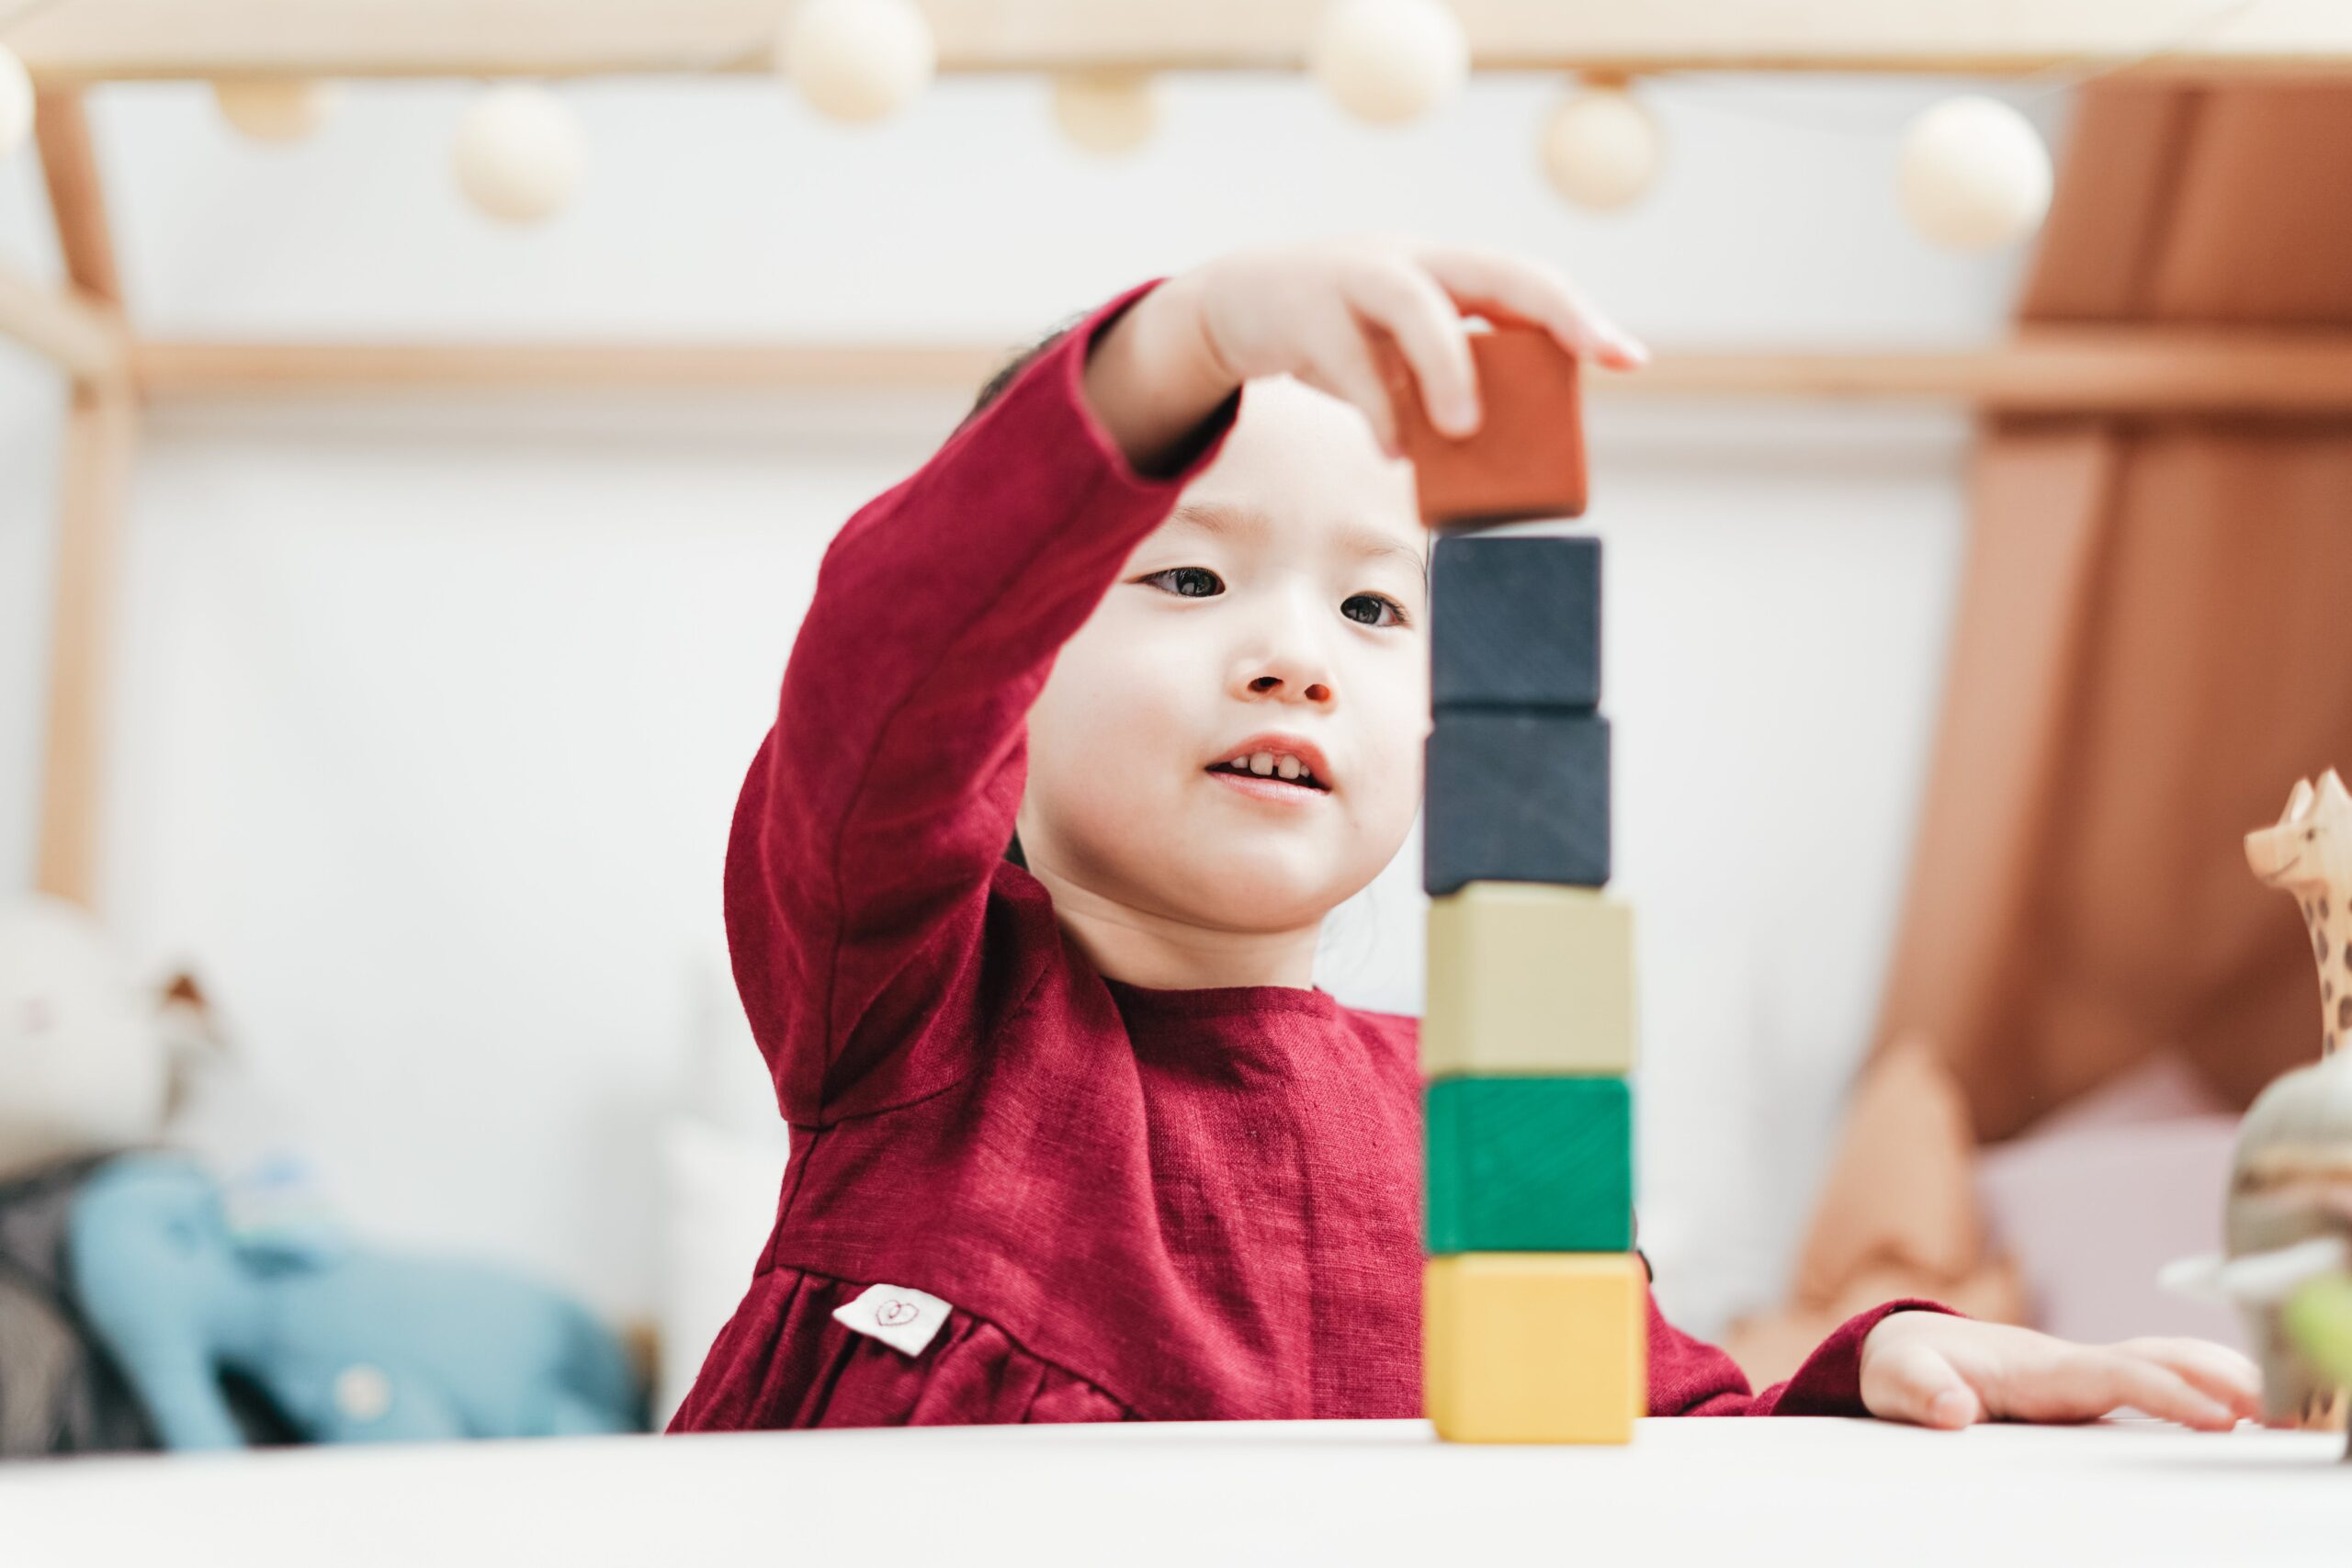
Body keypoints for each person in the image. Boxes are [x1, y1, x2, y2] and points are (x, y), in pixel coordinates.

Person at [667, 237, 2261, 1432]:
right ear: (1011, 677)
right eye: (1188, 577)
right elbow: (888, 660)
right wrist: (1192, 340)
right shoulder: (906, 1017)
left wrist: (1861, 1381)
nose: (1293, 654)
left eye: (1372, 604)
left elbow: (1653, 1437)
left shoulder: (1480, 1117)